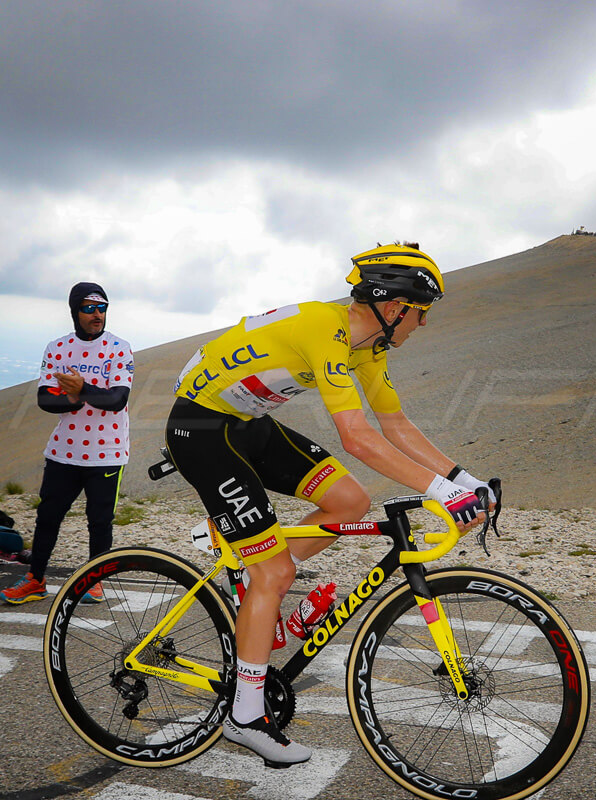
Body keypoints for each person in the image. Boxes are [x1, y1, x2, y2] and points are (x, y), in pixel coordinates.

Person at [164, 242, 493, 768]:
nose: (423, 325)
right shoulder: (328, 329)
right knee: (272, 572)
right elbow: (357, 438)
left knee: (350, 500)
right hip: (200, 429)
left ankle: (257, 581)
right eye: (422, 312)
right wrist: (438, 492)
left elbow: (395, 424)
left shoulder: (367, 346)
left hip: (247, 425)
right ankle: (245, 715)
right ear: (395, 307)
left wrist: (463, 480)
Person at [4, 283, 134, 605]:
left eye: (102, 308)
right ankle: (35, 579)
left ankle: (96, 581)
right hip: (64, 450)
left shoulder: (119, 348)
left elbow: (117, 398)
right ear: (75, 311)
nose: (97, 314)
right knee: (48, 516)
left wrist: (80, 388)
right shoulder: (58, 348)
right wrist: (77, 398)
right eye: (89, 308)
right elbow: (45, 399)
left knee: (99, 521)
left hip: (107, 452)